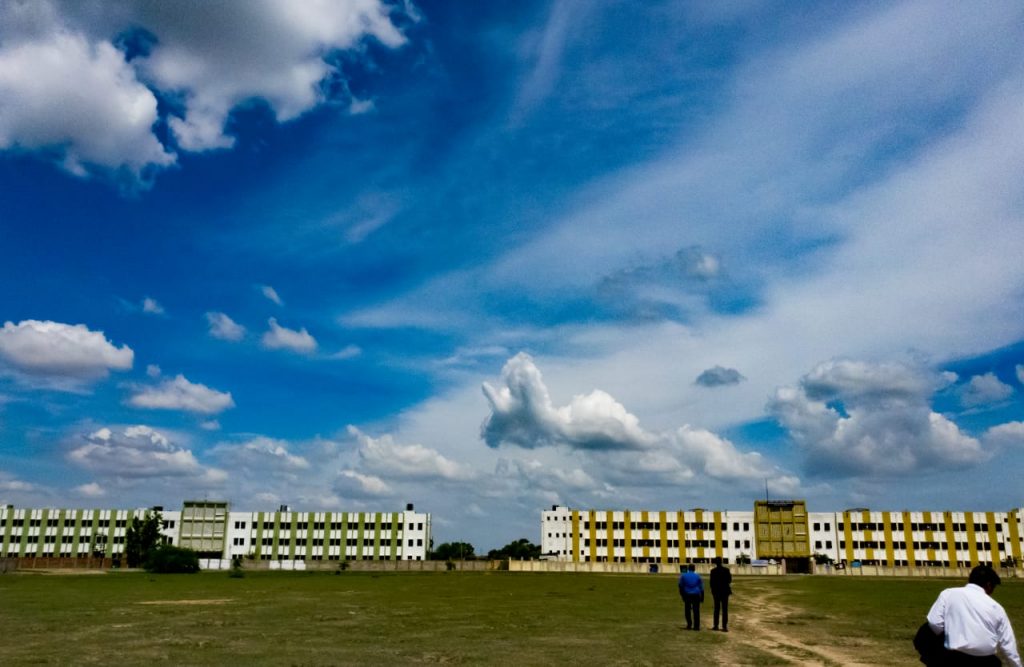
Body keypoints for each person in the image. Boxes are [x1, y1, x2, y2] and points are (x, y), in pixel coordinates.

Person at [924, 564, 1021, 667]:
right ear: (988, 585)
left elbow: (934, 622)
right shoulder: (996, 608)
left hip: (953, 658)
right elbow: (1008, 644)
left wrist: (948, 635)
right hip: (985, 661)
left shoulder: (948, 594)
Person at [678, 563, 704, 630]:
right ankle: (696, 626)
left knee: (687, 610)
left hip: (687, 594)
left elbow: (680, 586)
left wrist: (682, 595)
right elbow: (701, 587)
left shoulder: (683, 576)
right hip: (696, 594)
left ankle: (689, 624)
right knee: (696, 611)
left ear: (688, 569)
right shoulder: (698, 576)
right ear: (694, 569)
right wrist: (702, 597)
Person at [710, 557, 732, 632]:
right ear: (721, 562)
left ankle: (716, 625)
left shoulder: (713, 571)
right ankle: (724, 626)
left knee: (716, 609)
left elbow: (711, 583)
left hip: (716, 592)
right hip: (725, 591)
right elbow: (729, 580)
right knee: (725, 609)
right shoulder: (726, 570)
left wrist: (713, 590)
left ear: (716, 563)